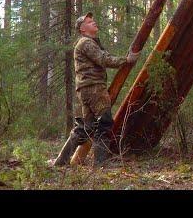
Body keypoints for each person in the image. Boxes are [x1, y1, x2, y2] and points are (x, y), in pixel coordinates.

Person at [53, 12, 140, 167]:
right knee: (104, 123)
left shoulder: (88, 42)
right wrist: (126, 60)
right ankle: (101, 164)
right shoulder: (85, 42)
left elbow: (102, 56)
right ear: (82, 29)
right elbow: (103, 59)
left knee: (85, 129)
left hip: (85, 89)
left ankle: (61, 162)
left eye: (93, 20)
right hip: (94, 88)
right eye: (89, 21)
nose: (93, 22)